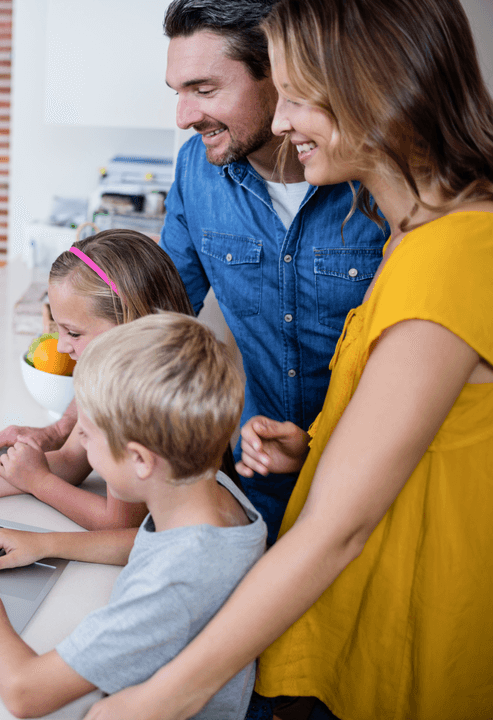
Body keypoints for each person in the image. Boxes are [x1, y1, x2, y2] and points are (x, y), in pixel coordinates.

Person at [86, 0, 493, 718]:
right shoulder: (412, 233)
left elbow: (341, 528)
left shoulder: (449, 253)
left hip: (414, 623)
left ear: (371, 88)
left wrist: (160, 699)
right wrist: (316, 446)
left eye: (299, 93)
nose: (280, 120)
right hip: (356, 604)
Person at [0, 0, 390, 543]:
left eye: (204, 90)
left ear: (280, 75)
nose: (184, 117)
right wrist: (65, 431)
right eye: (177, 92)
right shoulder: (196, 169)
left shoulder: (379, 184)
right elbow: (147, 322)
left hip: (372, 487)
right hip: (247, 485)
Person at [0, 313, 266, 719]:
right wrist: (47, 543)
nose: (78, 444)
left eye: (86, 434)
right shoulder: (215, 494)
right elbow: (149, 542)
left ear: (139, 459)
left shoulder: (169, 585)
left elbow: (26, 693)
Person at [0, 229, 200, 530]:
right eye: (58, 328)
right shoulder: (102, 376)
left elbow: (118, 523)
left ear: (130, 322)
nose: (60, 346)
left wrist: (39, 482)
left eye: (73, 332)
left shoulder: (138, 398)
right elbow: (71, 460)